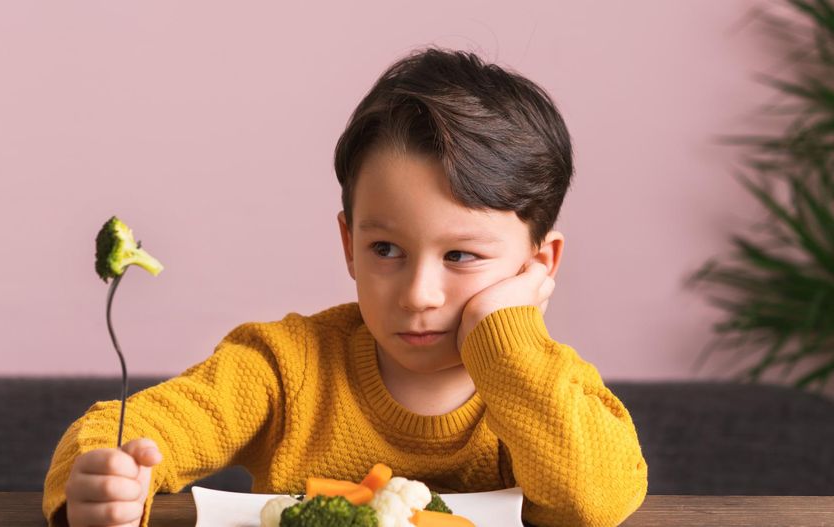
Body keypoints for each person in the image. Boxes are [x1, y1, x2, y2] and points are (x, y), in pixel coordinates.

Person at [43, 46, 648, 527]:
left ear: (538, 265)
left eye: (462, 256)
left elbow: (593, 503)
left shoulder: (546, 387)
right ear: (348, 244)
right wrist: (103, 483)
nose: (418, 294)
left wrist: (507, 338)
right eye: (386, 250)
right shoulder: (284, 366)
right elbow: (128, 427)